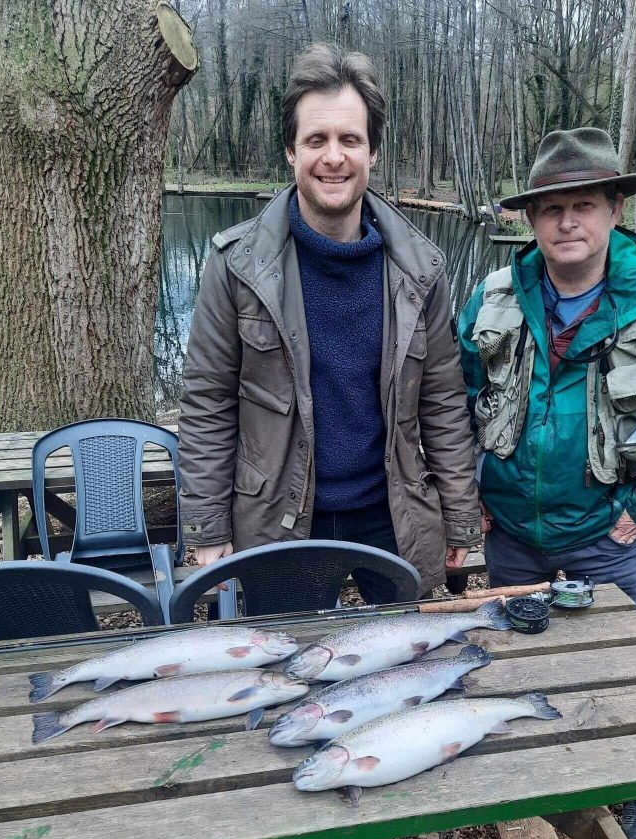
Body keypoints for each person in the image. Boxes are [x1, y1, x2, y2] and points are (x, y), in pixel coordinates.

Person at [458, 128, 636, 839]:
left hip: (601, 537)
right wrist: (465, 492)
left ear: (614, 209)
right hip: (510, 528)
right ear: (530, 219)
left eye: (584, 205)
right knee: (527, 654)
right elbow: (455, 398)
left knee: (619, 664)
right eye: (551, 209)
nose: (567, 222)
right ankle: (555, 774)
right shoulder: (494, 295)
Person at [178, 44, 480, 603]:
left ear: (373, 153)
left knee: (399, 664)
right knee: (287, 670)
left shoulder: (421, 268)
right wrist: (207, 527)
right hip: (279, 514)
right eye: (316, 140)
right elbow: (207, 403)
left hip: (392, 513)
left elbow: (442, 401)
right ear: (291, 152)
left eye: (350, 139)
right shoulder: (237, 264)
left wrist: (460, 517)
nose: (333, 156)